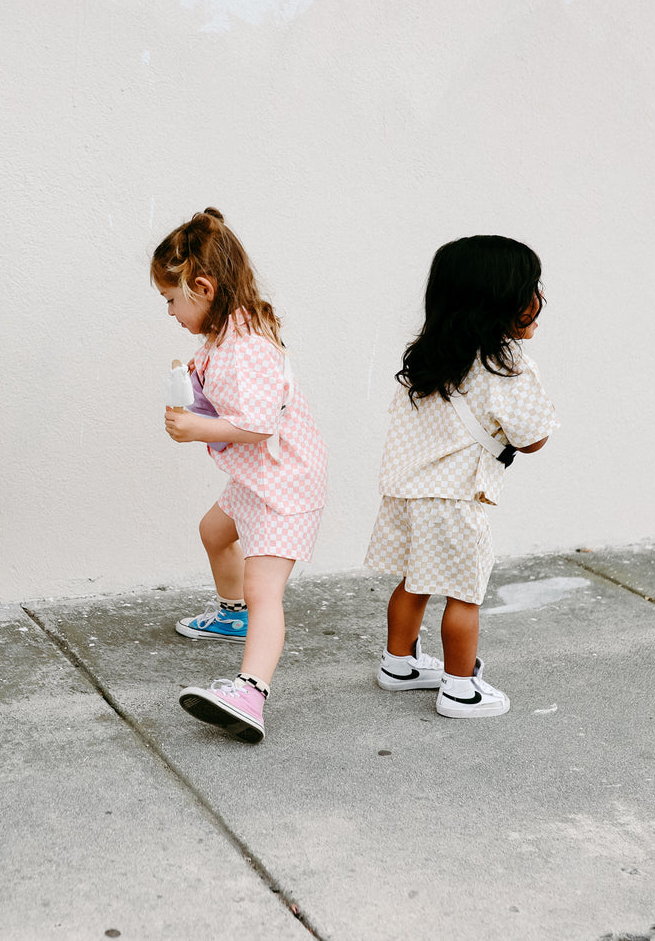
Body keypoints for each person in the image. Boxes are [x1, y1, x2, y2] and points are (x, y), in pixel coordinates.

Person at [365, 235, 557, 718]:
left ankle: (399, 663)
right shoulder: (506, 366)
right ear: (504, 303)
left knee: (414, 581)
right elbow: (533, 438)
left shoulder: (427, 356)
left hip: (405, 491)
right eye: (531, 288)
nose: (539, 299)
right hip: (453, 498)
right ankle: (460, 688)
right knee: (464, 594)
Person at [155, 209, 327, 743]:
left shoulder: (247, 346)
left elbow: (255, 423)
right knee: (214, 531)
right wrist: (195, 390)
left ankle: (250, 691)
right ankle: (232, 616)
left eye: (171, 300)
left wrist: (196, 427)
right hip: (258, 478)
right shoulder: (228, 333)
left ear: (202, 288)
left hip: (285, 487)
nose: (170, 312)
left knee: (264, 590)